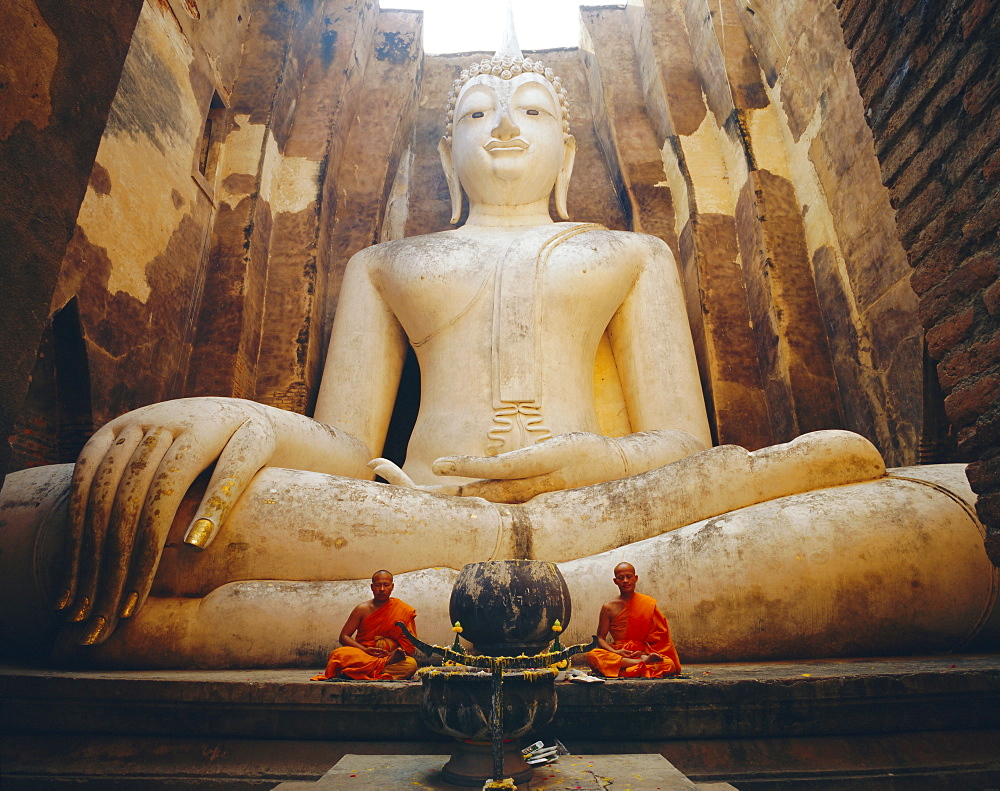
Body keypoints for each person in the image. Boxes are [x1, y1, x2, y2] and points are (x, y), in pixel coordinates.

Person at [0, 18, 992, 668]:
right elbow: (347, 448)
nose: (504, 127)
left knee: (940, 523)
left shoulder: (630, 253)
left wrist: (583, 458)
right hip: (418, 512)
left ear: (567, 148)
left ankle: (307, 626)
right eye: (475, 113)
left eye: (530, 112)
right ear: (444, 152)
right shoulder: (386, 264)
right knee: (89, 507)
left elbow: (684, 453)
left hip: (612, 507)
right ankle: (543, 593)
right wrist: (240, 419)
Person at [311, 570, 418, 681]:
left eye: (386, 585)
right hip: (364, 654)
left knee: (411, 664)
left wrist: (392, 654)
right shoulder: (362, 609)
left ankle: (354, 672)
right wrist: (365, 650)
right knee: (338, 654)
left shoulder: (403, 610)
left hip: (389, 656)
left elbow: (408, 645)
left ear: (392, 586)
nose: (382, 589)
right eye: (377, 585)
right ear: (372, 587)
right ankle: (375, 668)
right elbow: (344, 637)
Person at [586, 563, 681, 679]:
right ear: (615, 581)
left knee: (668, 664)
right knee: (592, 655)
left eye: (629, 577)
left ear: (635, 578)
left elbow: (659, 637)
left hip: (642, 653)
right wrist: (616, 652)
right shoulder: (608, 607)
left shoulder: (647, 604)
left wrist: (644, 653)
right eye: (621, 578)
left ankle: (623, 671)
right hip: (621, 653)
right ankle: (640, 665)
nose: (625, 581)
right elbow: (600, 638)